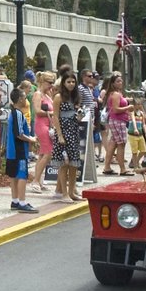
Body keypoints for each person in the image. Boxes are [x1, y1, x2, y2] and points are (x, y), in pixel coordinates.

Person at [52, 71, 83, 203]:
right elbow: (55, 116)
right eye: (68, 81)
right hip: (64, 132)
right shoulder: (59, 97)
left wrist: (79, 117)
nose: (71, 84)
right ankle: (64, 193)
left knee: (74, 163)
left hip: (74, 130)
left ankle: (72, 191)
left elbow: (76, 115)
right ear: (63, 83)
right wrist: (59, 135)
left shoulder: (75, 97)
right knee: (63, 163)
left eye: (73, 82)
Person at [6, 89, 38, 213]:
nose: (26, 100)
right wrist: (31, 139)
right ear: (19, 99)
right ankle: (22, 202)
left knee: (13, 175)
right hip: (19, 150)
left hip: (11, 150)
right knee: (21, 175)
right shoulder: (18, 114)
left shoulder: (12, 113)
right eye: (24, 97)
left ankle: (15, 200)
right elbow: (19, 133)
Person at [28, 71, 56, 194]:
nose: (51, 85)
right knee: (48, 152)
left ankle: (38, 180)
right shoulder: (38, 94)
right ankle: (35, 181)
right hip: (41, 125)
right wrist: (51, 114)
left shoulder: (48, 95)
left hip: (48, 125)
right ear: (42, 82)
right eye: (49, 83)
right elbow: (37, 111)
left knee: (42, 154)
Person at [102, 73, 133, 176]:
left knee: (113, 143)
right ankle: (123, 169)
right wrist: (128, 108)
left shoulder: (116, 93)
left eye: (121, 80)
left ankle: (107, 167)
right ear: (113, 83)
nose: (121, 83)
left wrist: (126, 101)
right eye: (118, 81)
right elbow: (115, 110)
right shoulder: (115, 94)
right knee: (121, 144)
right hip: (118, 121)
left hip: (117, 121)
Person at [127, 98, 146, 171]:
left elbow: (144, 123)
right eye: (137, 104)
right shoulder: (132, 112)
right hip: (133, 134)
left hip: (140, 134)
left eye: (140, 104)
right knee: (134, 151)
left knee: (143, 150)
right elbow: (133, 119)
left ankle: (135, 162)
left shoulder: (141, 113)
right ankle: (135, 166)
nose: (139, 106)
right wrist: (135, 128)